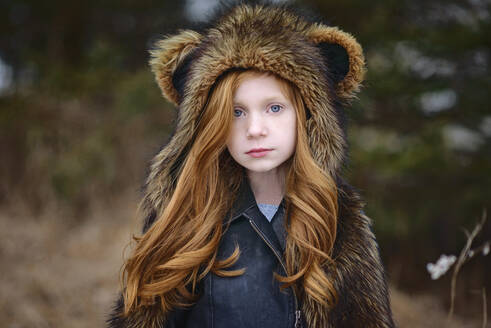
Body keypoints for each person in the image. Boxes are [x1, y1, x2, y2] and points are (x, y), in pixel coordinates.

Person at [108, 2, 395, 327]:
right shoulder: (189, 218)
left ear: (306, 116)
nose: (255, 129)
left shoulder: (340, 223)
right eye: (236, 112)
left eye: (274, 108)